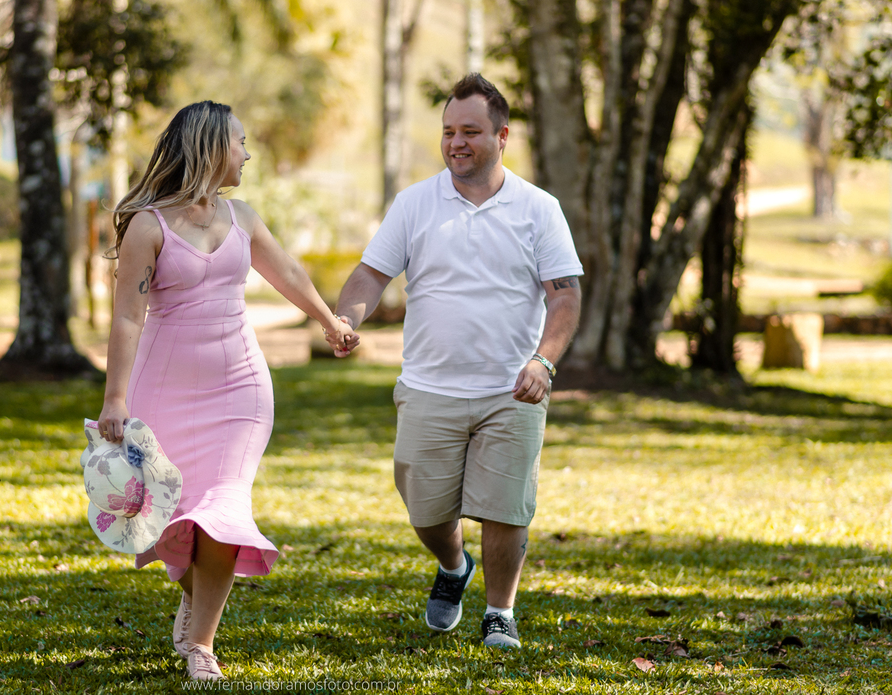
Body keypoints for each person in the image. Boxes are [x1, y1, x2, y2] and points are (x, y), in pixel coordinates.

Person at [95, 101, 359, 681]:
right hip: (163, 391)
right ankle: (195, 597)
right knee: (175, 515)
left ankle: (200, 647)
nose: (247, 153)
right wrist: (115, 398)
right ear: (213, 147)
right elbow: (127, 320)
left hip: (240, 389)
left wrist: (328, 320)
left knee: (223, 508)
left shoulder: (242, 217)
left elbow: (286, 271)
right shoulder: (149, 224)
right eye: (240, 142)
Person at [334, 74, 582, 650]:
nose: (456, 142)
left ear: (502, 135)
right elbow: (372, 274)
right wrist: (348, 317)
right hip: (428, 387)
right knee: (426, 511)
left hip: (511, 388)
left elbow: (564, 294)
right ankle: (453, 567)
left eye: (470, 131)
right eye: (448, 131)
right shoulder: (415, 203)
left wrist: (543, 363)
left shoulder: (538, 209)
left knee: (505, 505)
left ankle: (500, 612)